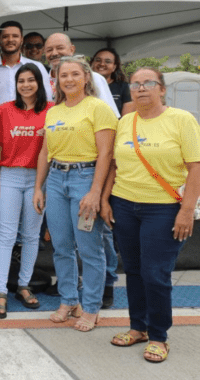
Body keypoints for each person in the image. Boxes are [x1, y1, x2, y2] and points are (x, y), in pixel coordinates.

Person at [101, 67, 200, 362]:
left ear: (162, 89)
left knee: (155, 273)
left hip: (164, 208)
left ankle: (158, 335)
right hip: (124, 205)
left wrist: (186, 210)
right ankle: (137, 327)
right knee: (132, 270)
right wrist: (106, 200)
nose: (141, 88)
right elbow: (114, 166)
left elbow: (196, 167)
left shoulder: (181, 120)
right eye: (136, 84)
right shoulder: (125, 122)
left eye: (148, 83)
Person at [33, 56, 117, 332]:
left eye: (74, 74)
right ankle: (69, 300)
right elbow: (45, 151)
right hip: (56, 179)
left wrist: (95, 192)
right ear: (56, 81)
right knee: (61, 247)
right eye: (62, 75)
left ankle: (91, 307)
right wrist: (38, 187)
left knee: (90, 248)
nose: (68, 79)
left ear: (86, 78)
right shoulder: (53, 112)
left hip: (85, 178)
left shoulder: (98, 108)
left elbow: (106, 153)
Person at [0, 64, 52, 319]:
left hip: (38, 179)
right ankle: (1, 291)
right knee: (6, 235)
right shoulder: (5, 110)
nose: (25, 85)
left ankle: (23, 286)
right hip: (9, 176)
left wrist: (39, 185)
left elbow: (48, 151)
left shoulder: (51, 111)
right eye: (21, 81)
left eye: (30, 80)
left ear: (39, 82)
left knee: (31, 235)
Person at [0, 21, 52, 115]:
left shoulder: (37, 67)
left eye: (15, 36)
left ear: (21, 40)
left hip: (29, 124)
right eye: (5, 36)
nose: (10, 40)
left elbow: (47, 98)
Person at [91, 47, 134, 116]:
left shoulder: (123, 87)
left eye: (107, 61)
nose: (102, 64)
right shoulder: (83, 85)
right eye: (98, 60)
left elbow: (126, 118)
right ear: (92, 63)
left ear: (114, 67)